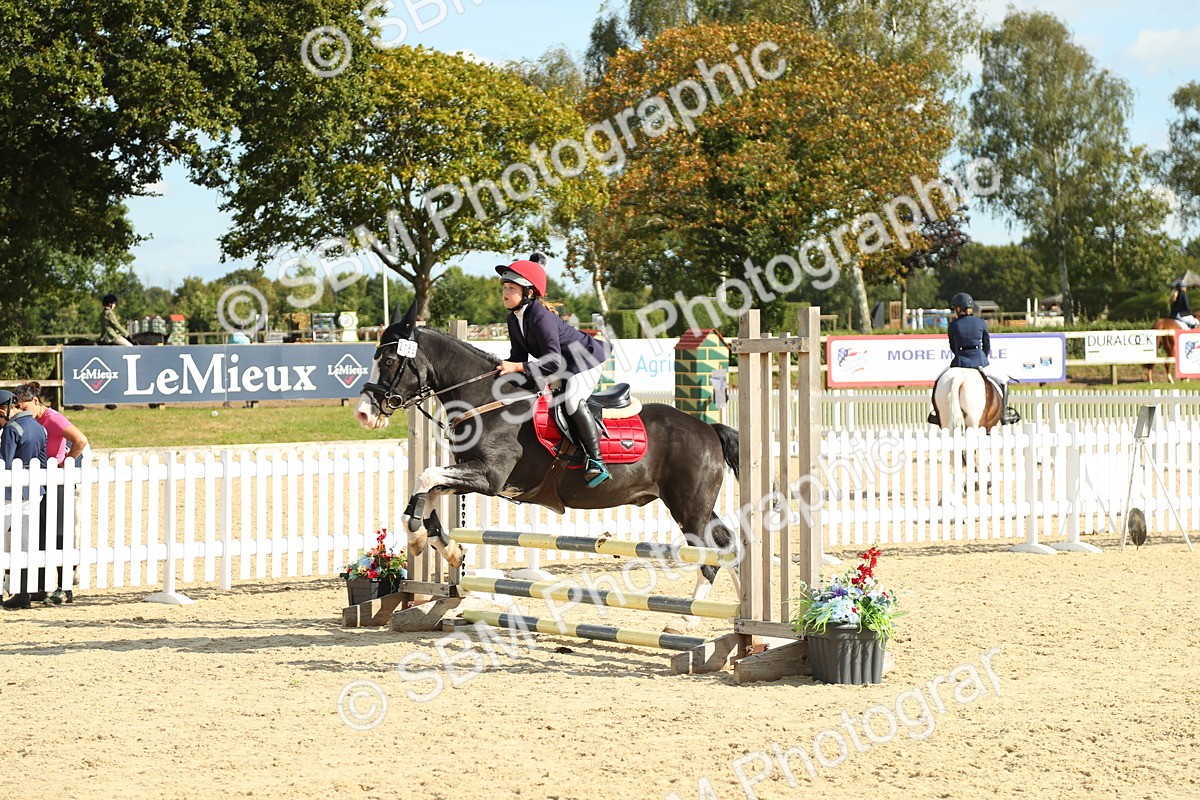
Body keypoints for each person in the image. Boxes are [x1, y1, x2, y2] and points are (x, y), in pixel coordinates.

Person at [495, 254, 614, 486]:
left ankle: (597, 460)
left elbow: (551, 361)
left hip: (585, 361)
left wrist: (518, 367)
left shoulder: (541, 317)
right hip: (563, 366)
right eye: (505, 288)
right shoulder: (514, 318)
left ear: (528, 292)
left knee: (571, 400)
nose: (505, 293)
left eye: (511, 288)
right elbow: (518, 357)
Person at [12, 382, 89, 604]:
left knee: (59, 534)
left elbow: (80, 440)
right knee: (42, 534)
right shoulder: (33, 419)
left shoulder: (53, 418)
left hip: (59, 482)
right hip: (43, 481)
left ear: (36, 401)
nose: (21, 411)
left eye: (24, 406)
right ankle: (41, 587)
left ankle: (65, 588)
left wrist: (67, 463)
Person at [928, 292, 1019, 425]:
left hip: (959, 362)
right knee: (1003, 380)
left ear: (959, 308)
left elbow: (952, 346)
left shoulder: (953, 325)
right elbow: (986, 344)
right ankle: (1004, 413)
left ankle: (938, 414)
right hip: (979, 360)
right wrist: (983, 356)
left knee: (940, 380)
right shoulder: (980, 322)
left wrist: (960, 356)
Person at [1, 388, 49, 610]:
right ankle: (23, 593)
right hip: (34, 491)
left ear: (5, 408)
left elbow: (5, 463)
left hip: (12, 495)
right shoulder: (40, 428)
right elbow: (42, 461)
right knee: (25, 545)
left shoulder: (12, 428)